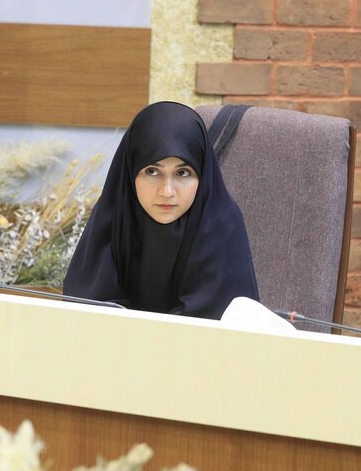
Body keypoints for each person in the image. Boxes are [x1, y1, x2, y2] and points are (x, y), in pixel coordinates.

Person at [63, 101, 259, 318]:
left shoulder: (221, 224)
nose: (167, 191)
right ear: (130, 172)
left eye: (183, 173)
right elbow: (87, 313)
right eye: (152, 172)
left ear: (202, 175)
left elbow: (215, 325)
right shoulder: (113, 217)